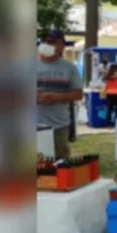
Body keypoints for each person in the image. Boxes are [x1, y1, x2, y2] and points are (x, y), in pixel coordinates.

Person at [37, 30, 83, 159]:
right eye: (50, 42)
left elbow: (78, 94)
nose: (54, 46)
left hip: (59, 125)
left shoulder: (69, 68)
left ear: (63, 46)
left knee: (60, 162)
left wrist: (55, 97)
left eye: (58, 43)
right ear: (42, 44)